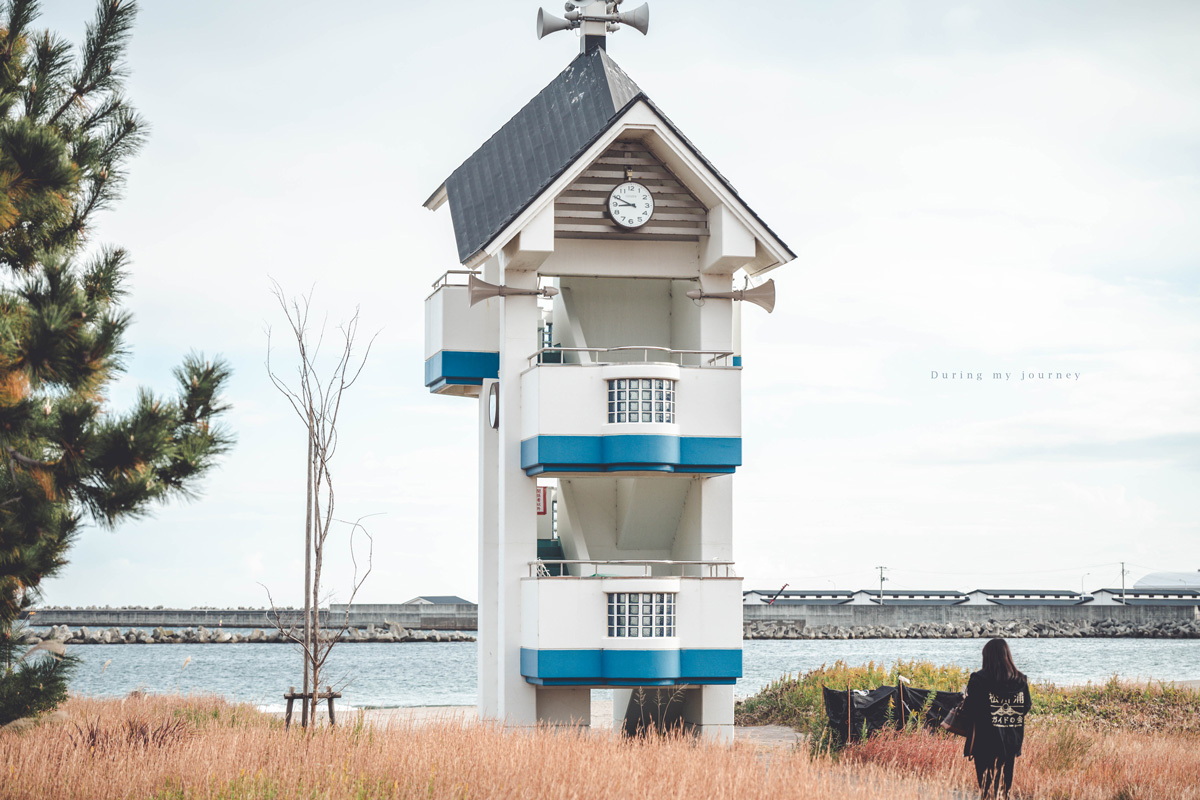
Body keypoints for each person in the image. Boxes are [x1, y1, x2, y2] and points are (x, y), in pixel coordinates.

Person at [963, 638, 1031, 799]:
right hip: (1011, 739)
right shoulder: (1021, 680)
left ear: (987, 657)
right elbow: (1026, 706)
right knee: (1004, 788)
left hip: (985, 739)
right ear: (1007, 655)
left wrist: (966, 699)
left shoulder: (978, 679)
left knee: (985, 787)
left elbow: (970, 710)